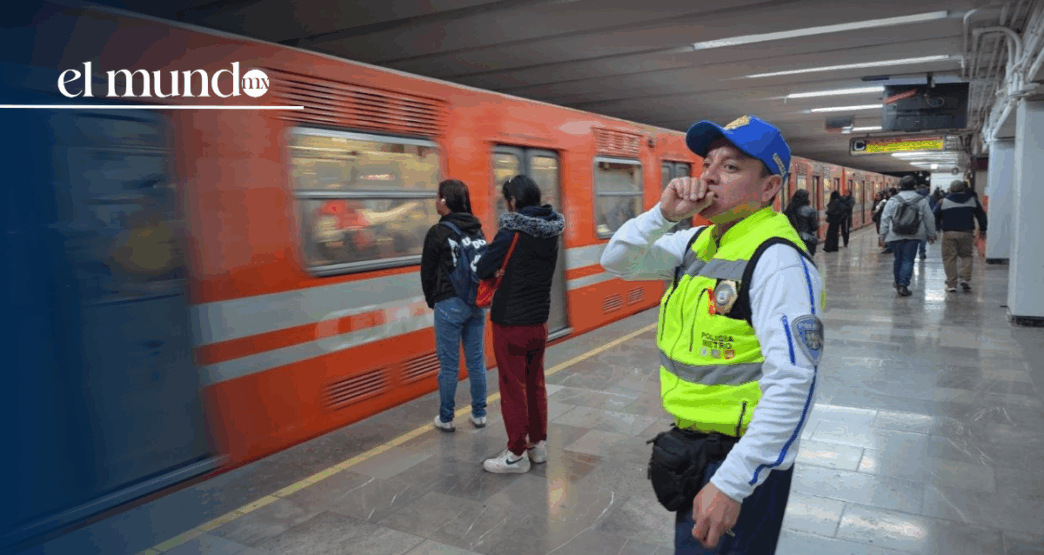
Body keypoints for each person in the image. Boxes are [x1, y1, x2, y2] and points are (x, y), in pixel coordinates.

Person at [601, 115, 824, 554]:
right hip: (694, 451)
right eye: (707, 163)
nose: (708, 177)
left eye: (732, 167)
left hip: (740, 462)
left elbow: (794, 382)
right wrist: (663, 215)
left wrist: (732, 484)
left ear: (769, 188)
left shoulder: (777, 261)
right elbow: (618, 260)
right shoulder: (697, 243)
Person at [476, 175, 565, 474]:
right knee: (535, 383)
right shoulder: (552, 232)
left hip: (510, 322)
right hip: (539, 321)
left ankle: (515, 453)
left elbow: (484, 268)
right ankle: (537, 445)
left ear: (513, 201)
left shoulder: (511, 232)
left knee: (512, 387)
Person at [421, 179, 488, 432]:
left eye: (438, 197)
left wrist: (432, 300)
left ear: (445, 201)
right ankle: (479, 414)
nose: (435, 201)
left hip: (449, 304)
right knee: (476, 362)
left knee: (449, 365)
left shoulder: (437, 232)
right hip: (476, 303)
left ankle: (447, 418)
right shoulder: (476, 228)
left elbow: (427, 272)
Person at [879, 176, 937, 297]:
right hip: (914, 235)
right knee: (908, 260)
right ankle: (904, 285)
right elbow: (929, 218)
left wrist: (882, 236)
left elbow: (885, 218)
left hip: (895, 234)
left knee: (898, 259)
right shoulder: (921, 200)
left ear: (900, 185)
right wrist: (931, 234)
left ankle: (898, 282)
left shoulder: (893, 200)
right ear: (914, 185)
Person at [934, 180, 987, 293]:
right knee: (966, 256)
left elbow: (934, 216)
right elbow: (981, 216)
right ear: (963, 189)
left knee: (949, 258)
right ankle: (965, 279)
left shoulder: (943, 202)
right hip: (967, 233)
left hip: (949, 233)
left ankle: (952, 284)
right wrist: (983, 229)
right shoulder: (973, 201)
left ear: (950, 190)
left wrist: (934, 230)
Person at [784, 189, 818, 255]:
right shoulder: (809, 210)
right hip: (807, 240)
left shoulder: (789, 209)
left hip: (792, 239)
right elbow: (814, 227)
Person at [915, 184, 937, 260]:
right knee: (923, 238)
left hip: (914, 219)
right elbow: (932, 209)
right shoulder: (929, 197)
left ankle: (913, 252)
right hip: (925, 220)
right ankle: (922, 252)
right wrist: (932, 233)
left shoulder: (915, 197)